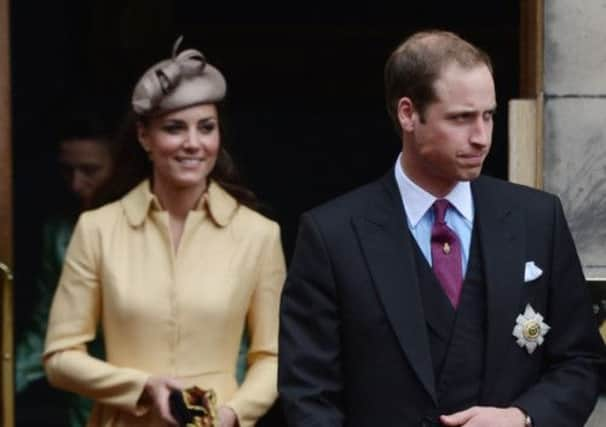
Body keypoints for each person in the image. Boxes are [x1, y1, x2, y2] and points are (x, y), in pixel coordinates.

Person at [278, 30, 605, 427]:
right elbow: (309, 395)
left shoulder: (537, 218)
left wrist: (522, 418)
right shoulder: (332, 235)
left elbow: (581, 361)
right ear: (408, 114)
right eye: (461, 118)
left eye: (488, 115)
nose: (481, 137)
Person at [43, 38, 285, 427]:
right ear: (144, 137)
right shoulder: (98, 229)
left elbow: (273, 357)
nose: (193, 143)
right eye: (174, 128)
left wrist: (233, 413)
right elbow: (59, 357)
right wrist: (142, 386)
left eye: (206, 128)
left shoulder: (259, 235)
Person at [15, 109, 114, 427]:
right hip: (84, 399)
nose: (75, 184)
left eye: (89, 170)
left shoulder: (152, 225)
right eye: (66, 171)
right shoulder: (58, 231)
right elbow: (47, 323)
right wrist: (9, 381)